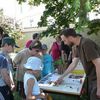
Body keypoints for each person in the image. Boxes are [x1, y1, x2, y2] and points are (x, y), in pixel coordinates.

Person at [56, 28, 100, 100]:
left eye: (64, 40)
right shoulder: (78, 46)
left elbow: (98, 64)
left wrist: (99, 87)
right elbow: (73, 64)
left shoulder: (86, 43)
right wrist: (61, 77)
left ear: (70, 37)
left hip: (97, 80)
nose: (64, 43)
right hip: (92, 79)